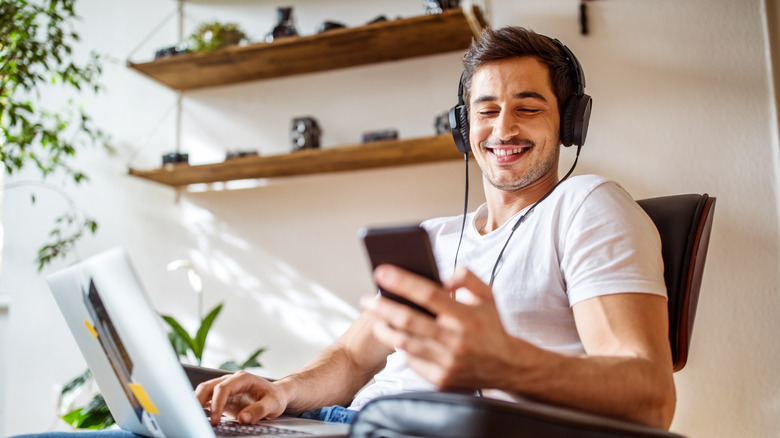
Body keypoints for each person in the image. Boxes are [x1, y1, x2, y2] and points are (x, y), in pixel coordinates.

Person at [10, 25, 676, 437]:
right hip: (342, 425)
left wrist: (504, 364)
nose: (503, 128)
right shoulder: (436, 237)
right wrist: (284, 391)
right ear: (460, 128)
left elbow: (650, 396)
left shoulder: (589, 206)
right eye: (487, 109)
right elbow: (356, 358)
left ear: (571, 123)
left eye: (528, 107)